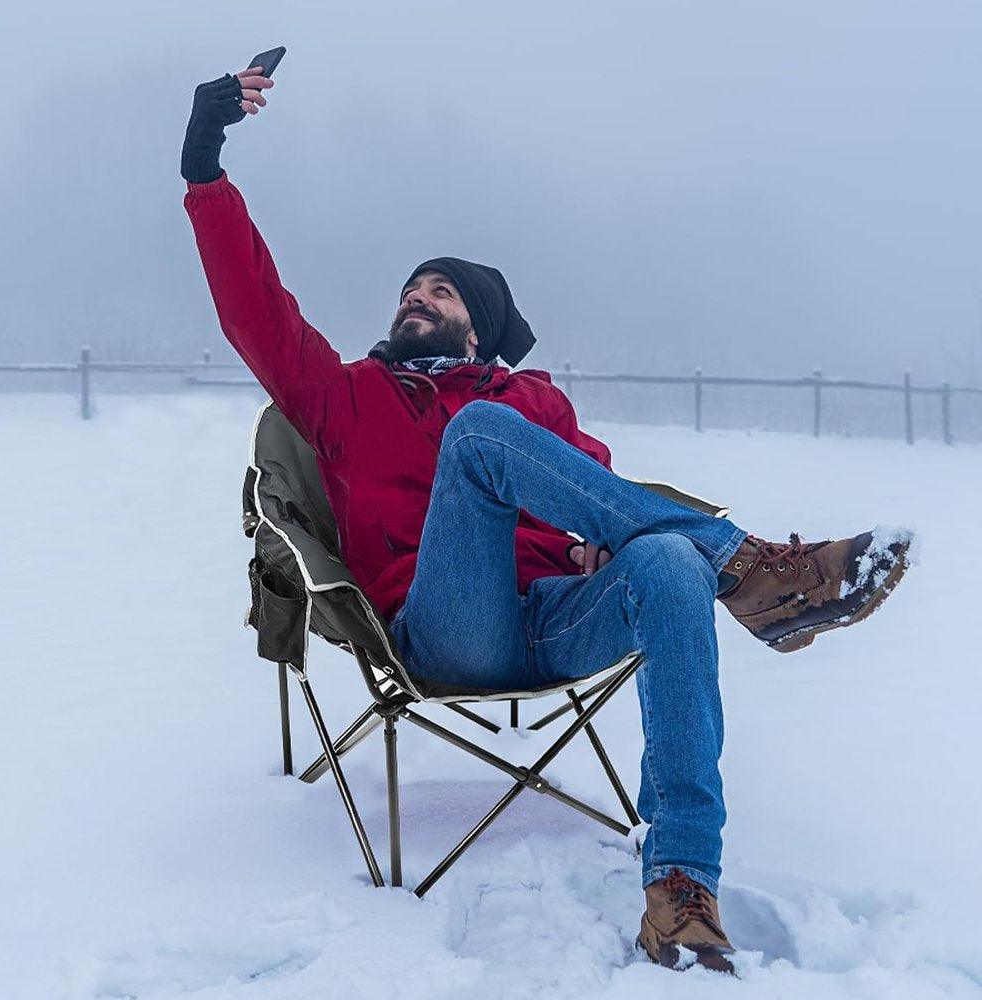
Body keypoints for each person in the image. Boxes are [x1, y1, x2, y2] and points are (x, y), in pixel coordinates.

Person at [181, 65, 912, 975]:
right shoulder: (347, 398)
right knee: (488, 437)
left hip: (557, 619)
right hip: (445, 630)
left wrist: (597, 540)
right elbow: (256, 309)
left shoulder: (533, 401)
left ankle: (681, 888)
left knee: (668, 567)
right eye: (411, 289)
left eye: (441, 293)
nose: (417, 298)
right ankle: (750, 571)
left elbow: (602, 502)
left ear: (477, 329)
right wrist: (205, 169)